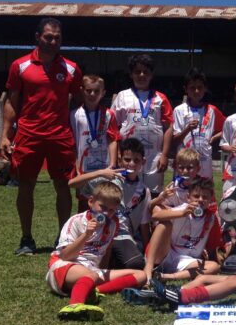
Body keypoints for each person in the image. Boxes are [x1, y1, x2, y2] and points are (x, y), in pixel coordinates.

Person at [1, 17, 83, 255]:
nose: (53, 41)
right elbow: (11, 102)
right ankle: (26, 238)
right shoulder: (20, 65)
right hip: (29, 134)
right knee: (25, 185)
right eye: (48, 37)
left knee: (64, 185)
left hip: (60, 135)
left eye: (57, 38)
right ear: (38, 37)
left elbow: (79, 103)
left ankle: (63, 237)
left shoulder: (71, 69)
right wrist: (5, 136)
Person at [46, 180, 149, 321]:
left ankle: (95, 291)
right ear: (91, 202)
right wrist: (86, 235)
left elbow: (105, 253)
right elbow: (65, 255)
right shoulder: (76, 221)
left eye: (112, 210)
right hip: (64, 267)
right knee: (91, 275)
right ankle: (74, 305)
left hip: (91, 270)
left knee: (141, 275)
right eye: (103, 207)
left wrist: (103, 271)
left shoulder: (113, 225)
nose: (106, 213)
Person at [69, 138, 165, 270]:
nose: (131, 164)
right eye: (127, 160)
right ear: (119, 160)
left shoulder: (144, 191)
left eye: (136, 160)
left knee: (136, 264)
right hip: (98, 233)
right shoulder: (107, 178)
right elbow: (72, 184)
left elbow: (143, 225)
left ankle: (112, 262)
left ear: (143, 162)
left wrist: (147, 254)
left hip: (122, 235)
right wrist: (100, 172)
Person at [124, 177, 221, 304]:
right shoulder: (182, 209)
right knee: (164, 225)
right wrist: (182, 214)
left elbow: (213, 246)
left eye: (205, 197)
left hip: (186, 260)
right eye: (196, 196)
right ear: (188, 197)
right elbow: (155, 215)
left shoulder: (211, 218)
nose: (200, 200)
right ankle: (148, 270)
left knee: (213, 266)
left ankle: (165, 277)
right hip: (166, 253)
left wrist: (211, 255)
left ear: (210, 199)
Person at [110, 54, 173, 195]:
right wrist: (118, 155)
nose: (142, 75)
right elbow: (113, 127)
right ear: (131, 75)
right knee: (127, 193)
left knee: (153, 195)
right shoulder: (122, 96)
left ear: (152, 75)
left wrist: (165, 155)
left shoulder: (160, 98)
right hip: (128, 157)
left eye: (146, 72)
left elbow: (169, 128)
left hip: (154, 157)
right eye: (137, 71)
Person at [70, 74, 120, 211]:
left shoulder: (109, 114)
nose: (92, 94)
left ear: (103, 93)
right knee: (85, 203)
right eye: (88, 90)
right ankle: (84, 230)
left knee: (105, 200)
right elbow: (73, 144)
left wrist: (112, 164)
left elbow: (113, 139)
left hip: (104, 167)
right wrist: (77, 168)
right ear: (82, 91)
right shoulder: (74, 114)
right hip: (84, 168)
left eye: (96, 91)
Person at [171, 68, 225, 180]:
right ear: (186, 89)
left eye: (200, 87)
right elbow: (175, 140)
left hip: (204, 163)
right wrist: (187, 129)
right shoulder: (179, 110)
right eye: (192, 88)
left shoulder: (212, 110)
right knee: (182, 194)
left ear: (205, 88)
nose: (196, 91)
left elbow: (228, 127)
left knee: (203, 195)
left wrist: (214, 137)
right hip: (185, 164)